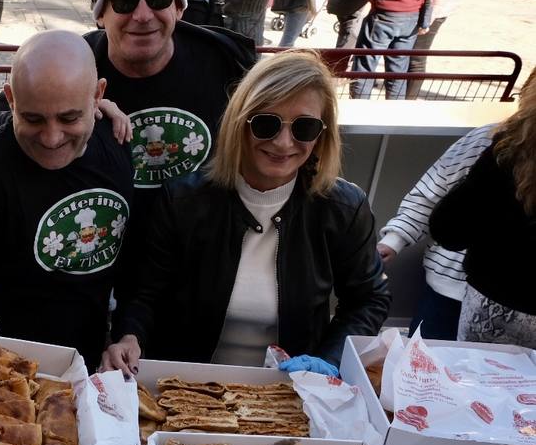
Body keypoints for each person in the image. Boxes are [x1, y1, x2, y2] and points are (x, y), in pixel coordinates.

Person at [102, 50, 390, 375]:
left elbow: (369, 298)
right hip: (187, 389)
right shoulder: (183, 199)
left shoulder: (344, 209)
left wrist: (330, 360)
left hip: (289, 394)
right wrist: (129, 335)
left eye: (304, 128)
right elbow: (144, 292)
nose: (283, 143)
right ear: (240, 123)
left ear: (323, 134)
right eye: (266, 124)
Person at [0, 0, 258, 204]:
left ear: (179, 7)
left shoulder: (226, 61)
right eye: (125, 1)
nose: (142, 15)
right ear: (101, 14)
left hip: (195, 242)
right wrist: (74, 112)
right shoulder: (75, 66)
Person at [0, 30, 133, 367]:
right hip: (1, 363)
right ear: (11, 100)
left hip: (90, 360)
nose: (52, 137)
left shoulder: (117, 140)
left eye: (69, 117)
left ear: (98, 95)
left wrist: (125, 333)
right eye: (33, 119)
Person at [430, 74, 536, 347]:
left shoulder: (509, 149)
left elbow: (449, 229)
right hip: (494, 303)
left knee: (476, 385)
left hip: (493, 313)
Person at [377, 123, 495, 338]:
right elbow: (430, 196)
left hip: (520, 308)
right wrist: (395, 239)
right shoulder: (488, 138)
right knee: (422, 365)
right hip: (448, 292)